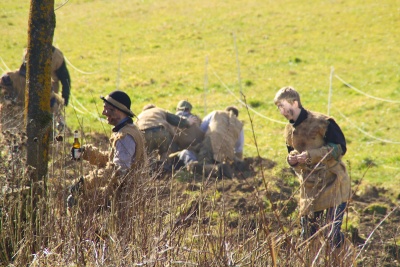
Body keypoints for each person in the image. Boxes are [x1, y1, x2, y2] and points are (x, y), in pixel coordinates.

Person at [274, 86, 351, 249]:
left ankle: (347, 258)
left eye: (282, 106)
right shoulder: (289, 130)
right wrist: (292, 160)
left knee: (332, 235)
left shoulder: (323, 122)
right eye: (278, 107)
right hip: (309, 187)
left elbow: (340, 148)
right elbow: (292, 156)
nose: (281, 111)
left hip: (333, 183)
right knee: (308, 236)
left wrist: (311, 155)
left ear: (294, 103)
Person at [67, 90, 147, 211]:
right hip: (123, 196)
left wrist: (84, 183)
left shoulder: (125, 137)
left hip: (124, 199)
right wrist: (86, 153)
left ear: (117, 111)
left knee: (76, 203)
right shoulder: (126, 130)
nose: (104, 113)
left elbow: (117, 170)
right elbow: (112, 159)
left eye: (107, 109)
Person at [177, 106, 244, 178]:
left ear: (225, 110)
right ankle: (225, 168)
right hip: (227, 149)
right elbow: (239, 148)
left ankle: (217, 169)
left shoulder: (216, 113)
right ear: (236, 116)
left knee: (202, 164)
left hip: (211, 140)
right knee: (221, 161)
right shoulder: (239, 124)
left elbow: (202, 128)